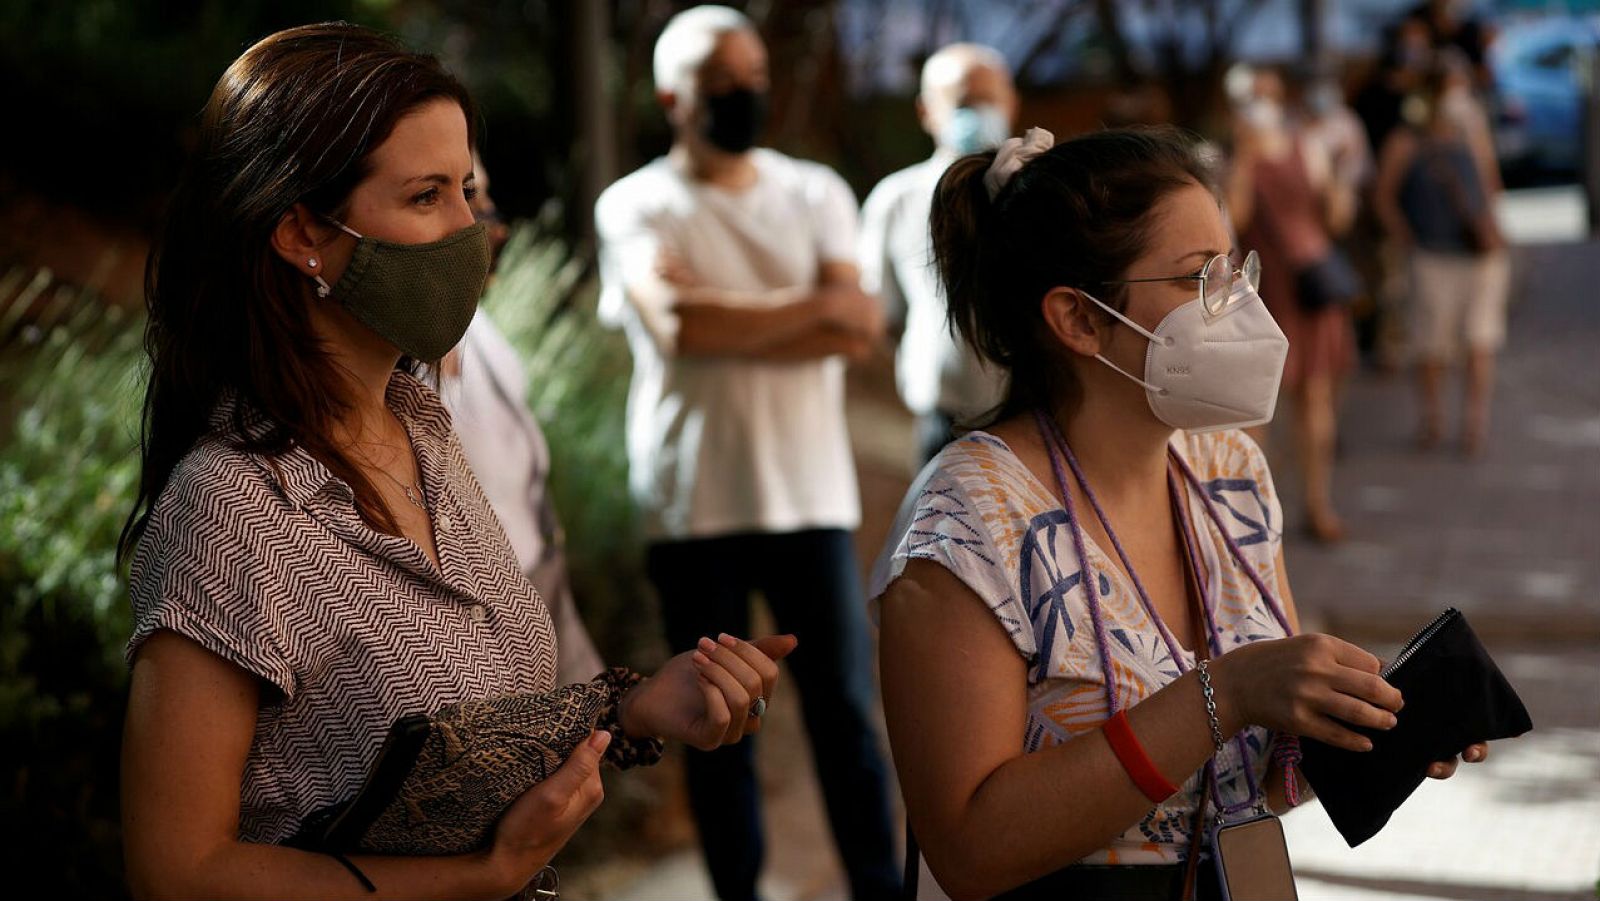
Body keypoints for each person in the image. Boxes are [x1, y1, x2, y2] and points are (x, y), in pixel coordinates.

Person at [118, 23, 795, 900]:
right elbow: (177, 870)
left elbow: (454, 735)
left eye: (468, 191)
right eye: (427, 195)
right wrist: (475, 877)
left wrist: (630, 706)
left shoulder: (426, 429)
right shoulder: (228, 510)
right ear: (302, 234)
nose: (471, 232)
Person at [872, 126, 1491, 900]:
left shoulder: (1228, 469)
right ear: (1079, 319)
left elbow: (1244, 783)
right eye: (1201, 277)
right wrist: (1224, 693)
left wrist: (1354, 725)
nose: (1238, 304)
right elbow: (967, 849)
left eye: (1236, 269)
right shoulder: (967, 522)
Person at [593, 6, 899, 899]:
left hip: (809, 495)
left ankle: (879, 888)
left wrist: (727, 314)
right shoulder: (637, 202)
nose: (745, 96)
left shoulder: (815, 191)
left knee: (847, 717)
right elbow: (677, 324)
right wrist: (803, 307)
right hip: (695, 504)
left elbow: (858, 325)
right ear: (671, 96)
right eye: (723, 84)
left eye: (753, 77)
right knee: (718, 723)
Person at [440, 153, 604, 687]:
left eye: (480, 195)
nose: (491, 220)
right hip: (488, 610)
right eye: (468, 196)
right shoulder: (411, 345)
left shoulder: (476, 318)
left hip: (543, 572)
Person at [859, 42, 1014, 464]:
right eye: (965, 102)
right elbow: (882, 316)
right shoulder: (897, 198)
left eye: (989, 99)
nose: (979, 112)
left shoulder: (1038, 193)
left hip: (1031, 412)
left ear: (1011, 101)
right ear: (927, 111)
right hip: (942, 420)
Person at [1227, 68, 1358, 543]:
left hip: (1309, 286)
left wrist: (1341, 175)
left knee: (1316, 397)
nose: (1261, 104)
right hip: (1266, 292)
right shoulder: (1236, 156)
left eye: (1268, 95)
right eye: (1252, 96)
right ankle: (1252, 511)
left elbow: (1337, 219)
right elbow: (1235, 221)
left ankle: (1317, 503)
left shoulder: (1310, 145)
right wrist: (1243, 156)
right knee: (1257, 407)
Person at [1374, 51, 1509, 455]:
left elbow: (1490, 187)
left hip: (1479, 255)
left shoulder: (1472, 133)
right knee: (1431, 346)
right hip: (1432, 256)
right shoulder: (1407, 140)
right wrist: (1407, 238)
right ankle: (1433, 419)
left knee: (1479, 341)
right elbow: (1383, 196)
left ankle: (1473, 425)